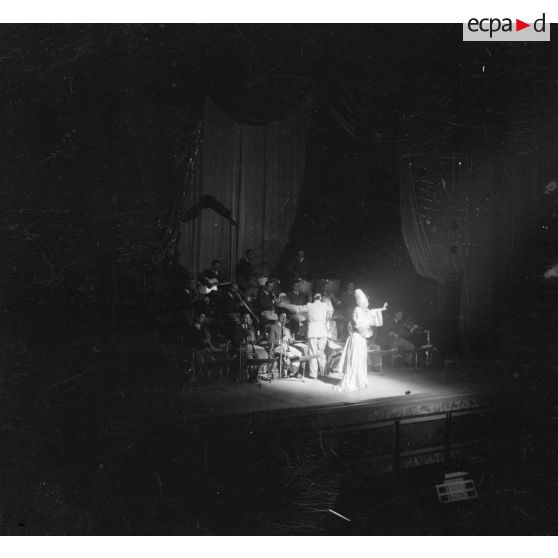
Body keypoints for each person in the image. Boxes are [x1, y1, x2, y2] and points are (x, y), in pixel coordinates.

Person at [334, 289, 388, 392]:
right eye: (366, 302)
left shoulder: (363, 310)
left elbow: (371, 313)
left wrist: (381, 309)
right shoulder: (357, 310)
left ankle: (359, 380)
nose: (367, 304)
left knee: (361, 359)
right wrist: (366, 332)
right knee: (355, 359)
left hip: (361, 338)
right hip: (357, 337)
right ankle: (353, 380)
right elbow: (360, 325)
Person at [278, 292, 331, 379]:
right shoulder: (325, 305)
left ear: (313, 298)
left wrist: (284, 305)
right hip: (323, 332)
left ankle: (313, 374)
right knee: (321, 353)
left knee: (312, 353)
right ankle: (323, 372)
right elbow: (331, 310)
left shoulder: (310, 305)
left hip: (313, 332)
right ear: (320, 298)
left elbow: (296, 308)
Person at [268, 311, 302, 377]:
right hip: (277, 347)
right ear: (278, 317)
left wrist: (290, 338)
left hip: (286, 347)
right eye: (282, 317)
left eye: (285, 318)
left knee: (299, 354)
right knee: (289, 355)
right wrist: (280, 341)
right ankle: (291, 371)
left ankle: (294, 370)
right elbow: (270, 340)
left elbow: (290, 341)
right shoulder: (273, 327)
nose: (284, 319)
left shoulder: (287, 328)